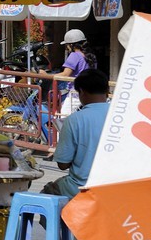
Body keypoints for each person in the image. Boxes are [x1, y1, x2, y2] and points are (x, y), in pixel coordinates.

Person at [44, 68, 110, 200]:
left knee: (47, 193)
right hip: (118, 186)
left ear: (82, 92)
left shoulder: (74, 120)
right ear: (107, 92)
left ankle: (59, 221)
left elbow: (62, 164)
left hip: (83, 188)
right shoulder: (123, 116)